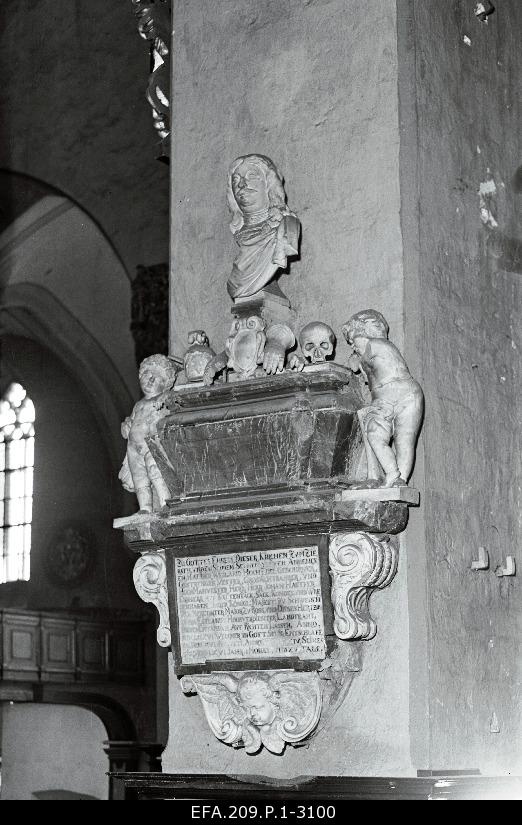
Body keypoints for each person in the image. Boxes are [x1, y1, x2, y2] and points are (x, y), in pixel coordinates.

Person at [342, 310, 424, 487]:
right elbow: (358, 366)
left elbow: (357, 362)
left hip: (406, 394)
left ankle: (400, 480)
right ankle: (393, 474)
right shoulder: (365, 353)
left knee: (405, 439)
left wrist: (354, 359)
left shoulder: (377, 345)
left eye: (353, 340)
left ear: (366, 331)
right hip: (383, 399)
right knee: (374, 434)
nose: (352, 346)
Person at [226, 154, 300, 300]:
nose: (241, 185)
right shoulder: (241, 234)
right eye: (235, 180)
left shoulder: (286, 227)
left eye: (251, 176)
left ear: (269, 184)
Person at [119, 354, 178, 512]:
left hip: (152, 444)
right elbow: (131, 423)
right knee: (140, 478)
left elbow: (173, 399)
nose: (150, 380)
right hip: (133, 447)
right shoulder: (138, 405)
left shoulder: (162, 399)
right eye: (147, 374)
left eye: (157, 378)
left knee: (155, 471)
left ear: (166, 384)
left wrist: (166, 396)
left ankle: (166, 503)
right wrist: (126, 427)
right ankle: (145, 508)